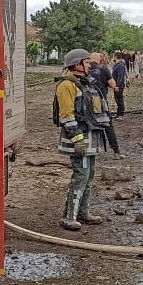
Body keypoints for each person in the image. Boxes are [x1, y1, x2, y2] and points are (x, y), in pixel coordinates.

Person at [53, 48, 113, 231]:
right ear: (77, 65)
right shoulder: (66, 86)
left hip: (91, 138)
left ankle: (83, 213)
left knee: (89, 177)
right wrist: (77, 140)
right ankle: (69, 217)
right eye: (87, 62)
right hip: (79, 139)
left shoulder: (85, 83)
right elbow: (66, 116)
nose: (90, 65)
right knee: (80, 177)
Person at [110, 50, 129, 117]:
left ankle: (121, 114)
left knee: (119, 100)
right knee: (117, 99)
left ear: (115, 57)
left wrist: (117, 86)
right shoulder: (116, 65)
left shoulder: (120, 65)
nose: (112, 58)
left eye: (113, 56)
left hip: (119, 86)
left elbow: (120, 76)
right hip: (116, 85)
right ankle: (118, 114)